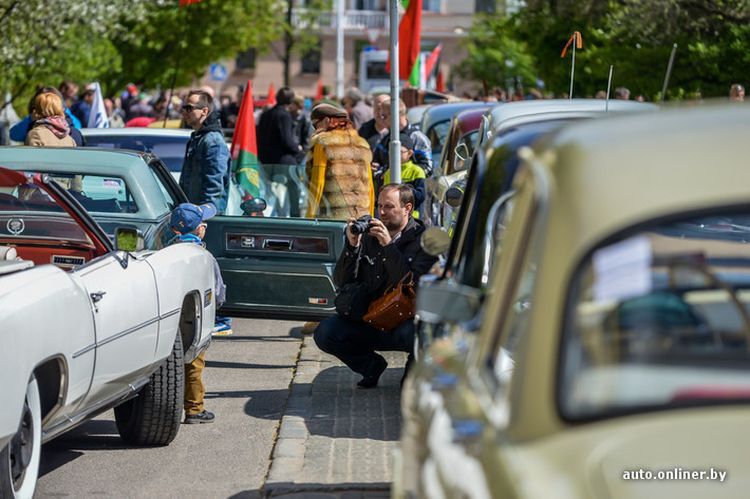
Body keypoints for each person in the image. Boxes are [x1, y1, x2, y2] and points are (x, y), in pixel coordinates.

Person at [313, 184, 438, 388]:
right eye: (379, 206)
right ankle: (371, 367)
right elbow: (342, 281)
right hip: (370, 318)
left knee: (427, 334)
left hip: (403, 322)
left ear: (407, 208)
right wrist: (352, 246)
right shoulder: (370, 237)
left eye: (389, 207)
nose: (381, 212)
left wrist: (389, 247)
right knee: (325, 333)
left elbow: (413, 285)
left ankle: (412, 372)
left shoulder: (424, 241)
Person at [169, 202, 226, 424]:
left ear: (174, 230)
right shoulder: (205, 257)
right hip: (195, 320)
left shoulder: (166, 253)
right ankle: (194, 409)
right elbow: (219, 294)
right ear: (200, 229)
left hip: (171, 319)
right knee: (193, 364)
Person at [305, 103, 374, 220]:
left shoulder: (322, 142)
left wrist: (309, 216)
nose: (315, 129)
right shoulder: (362, 143)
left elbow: (317, 183)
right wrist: (370, 215)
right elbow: (370, 186)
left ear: (326, 120)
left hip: (332, 217)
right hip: (361, 216)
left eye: (315, 124)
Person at [179, 89, 230, 214]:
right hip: (192, 215)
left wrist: (203, 215)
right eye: (183, 108)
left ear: (204, 111)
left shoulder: (213, 141)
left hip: (205, 219)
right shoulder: (197, 138)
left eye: (189, 108)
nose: (184, 112)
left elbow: (214, 186)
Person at [257, 87, 302, 217]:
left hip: (265, 161)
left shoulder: (266, 114)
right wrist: (297, 149)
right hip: (282, 162)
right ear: (291, 100)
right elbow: (287, 140)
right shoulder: (284, 115)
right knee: (294, 187)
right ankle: (295, 216)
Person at [372, 98, 432, 178]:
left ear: (396, 115)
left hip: (411, 189)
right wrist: (376, 170)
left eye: (384, 116)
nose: (381, 119)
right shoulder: (385, 139)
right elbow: (376, 164)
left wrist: (399, 175)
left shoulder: (417, 138)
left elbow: (428, 168)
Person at [382, 134, 426, 218]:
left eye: (399, 152)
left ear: (410, 153)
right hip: (391, 216)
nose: (395, 155)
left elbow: (420, 197)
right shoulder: (388, 172)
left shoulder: (417, 171)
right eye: (391, 151)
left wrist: (404, 188)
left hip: (412, 218)